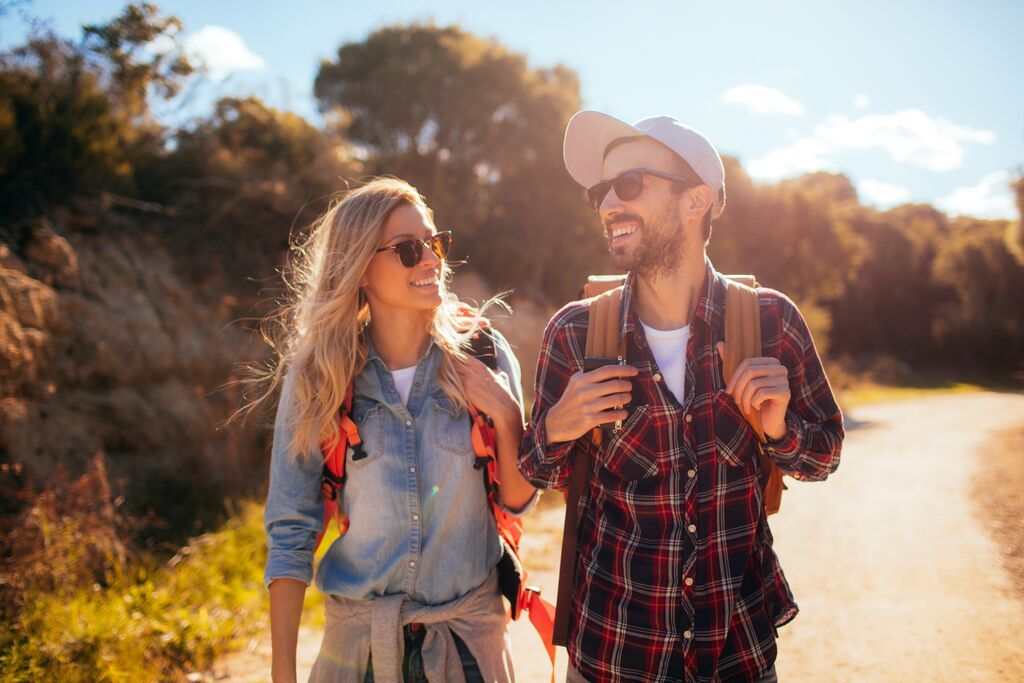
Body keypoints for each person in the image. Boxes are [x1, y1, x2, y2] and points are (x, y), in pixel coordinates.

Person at [518, 112, 845, 682]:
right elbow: (533, 473)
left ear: (697, 200)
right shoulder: (573, 332)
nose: (606, 206)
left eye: (628, 185)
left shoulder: (771, 321)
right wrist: (555, 428)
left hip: (737, 656)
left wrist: (779, 429)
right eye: (600, 192)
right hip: (614, 657)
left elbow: (824, 457)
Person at [254, 177, 538, 683]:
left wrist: (508, 416)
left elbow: (517, 499)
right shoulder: (321, 375)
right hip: (357, 657)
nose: (431, 260)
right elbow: (291, 531)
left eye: (435, 243)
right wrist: (282, 674)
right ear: (361, 266)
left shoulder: (484, 353)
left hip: (470, 655)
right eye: (409, 250)